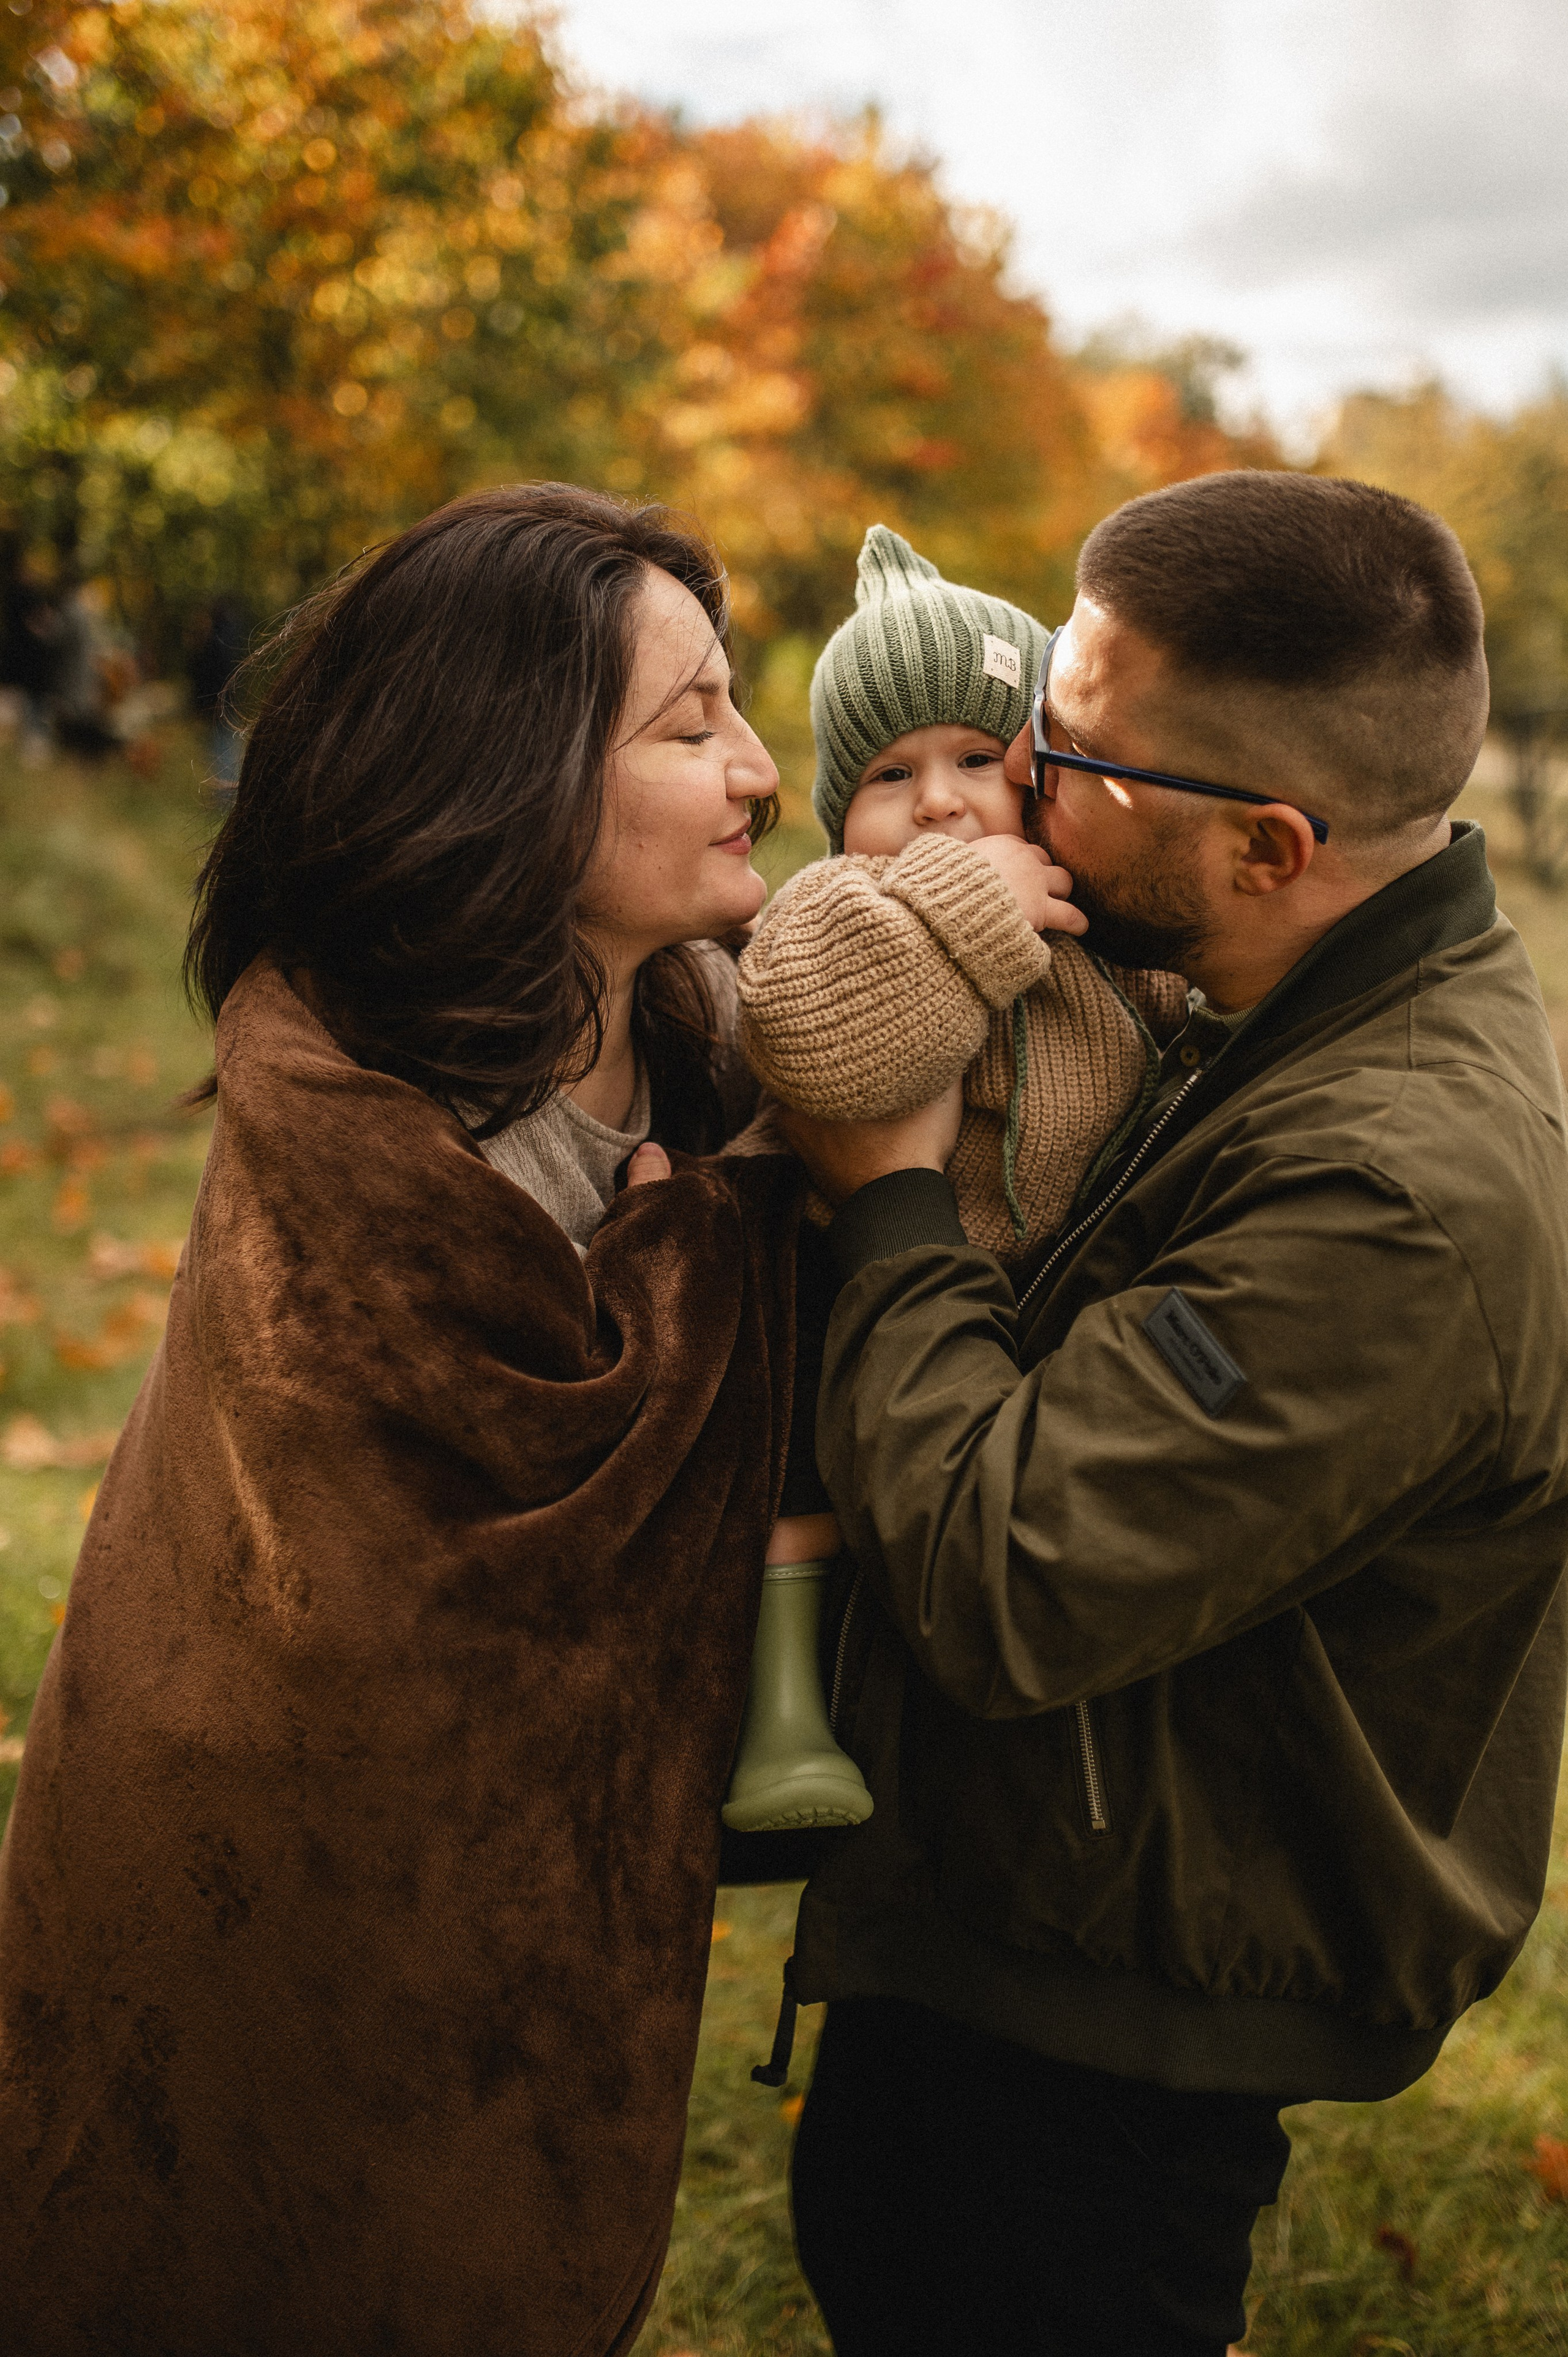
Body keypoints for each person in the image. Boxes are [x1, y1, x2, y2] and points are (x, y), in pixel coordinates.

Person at [0, 483, 813, 2357]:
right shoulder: (362, 1116)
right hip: (268, 1902)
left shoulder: (703, 1018)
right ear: (508, 774)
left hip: (553, 1982)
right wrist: (734, 1224)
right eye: (691, 727)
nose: (760, 766)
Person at [776, 471, 1568, 2357]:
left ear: (1273, 845)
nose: (1019, 778)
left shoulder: (1396, 1200)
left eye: (1074, 748)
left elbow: (1003, 1568)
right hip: (1043, 1924)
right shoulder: (1250, 997)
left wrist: (884, 1178)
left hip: (1106, 2018)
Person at [722, 526, 1184, 1836]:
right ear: (835, 812)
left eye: (977, 760)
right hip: (848, 1268)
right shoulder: (827, 910)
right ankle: (781, 1713)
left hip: (1044, 1305)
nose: (934, 801)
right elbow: (826, 1043)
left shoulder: (1096, 923)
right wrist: (965, 905)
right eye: (889, 773)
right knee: (801, 1477)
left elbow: (1179, 1024)